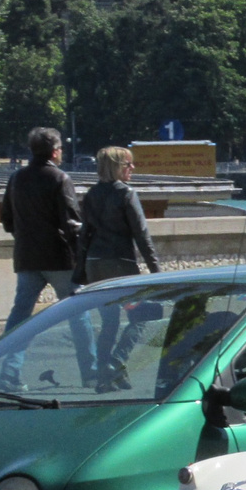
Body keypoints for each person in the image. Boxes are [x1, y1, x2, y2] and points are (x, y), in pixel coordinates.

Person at [0, 127, 90, 391]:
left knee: (19, 318)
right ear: (55, 151)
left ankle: (9, 376)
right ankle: (90, 372)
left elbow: (6, 220)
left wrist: (25, 236)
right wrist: (80, 257)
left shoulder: (16, 179)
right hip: (59, 257)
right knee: (79, 316)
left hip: (27, 256)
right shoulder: (60, 178)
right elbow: (72, 222)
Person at [78, 146, 161, 392]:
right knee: (142, 316)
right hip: (120, 265)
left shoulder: (91, 194)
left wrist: (82, 267)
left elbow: (84, 234)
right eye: (128, 164)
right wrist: (157, 271)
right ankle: (117, 362)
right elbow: (142, 236)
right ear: (116, 167)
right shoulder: (126, 194)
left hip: (95, 265)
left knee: (109, 322)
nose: (132, 168)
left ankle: (106, 374)